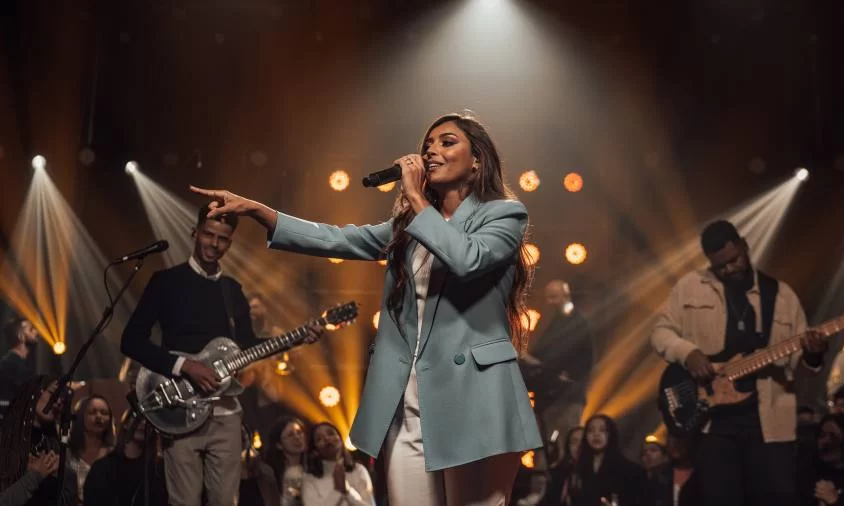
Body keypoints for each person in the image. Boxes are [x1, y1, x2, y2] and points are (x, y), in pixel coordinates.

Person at [191, 111, 542, 505]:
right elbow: (337, 239)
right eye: (427, 145)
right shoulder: (408, 227)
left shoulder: (504, 214)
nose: (431, 152)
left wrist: (414, 196)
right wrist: (258, 210)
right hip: (409, 404)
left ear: (477, 159)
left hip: (475, 401)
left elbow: (467, 258)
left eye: (446, 142)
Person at [121, 207, 307, 506]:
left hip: (226, 412)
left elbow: (247, 346)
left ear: (230, 244)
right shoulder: (165, 282)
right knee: (184, 501)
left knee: (226, 501)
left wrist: (295, 339)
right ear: (195, 232)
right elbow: (131, 341)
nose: (214, 244)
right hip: (180, 407)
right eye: (208, 235)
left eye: (223, 239)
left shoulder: (232, 290)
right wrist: (185, 366)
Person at [649, 219, 828, 506]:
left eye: (734, 260)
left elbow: (800, 369)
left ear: (744, 246)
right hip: (713, 426)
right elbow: (660, 332)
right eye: (720, 266)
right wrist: (689, 353)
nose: (729, 269)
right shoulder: (690, 287)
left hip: (771, 425)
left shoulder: (781, 296)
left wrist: (813, 355)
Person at [521, 280, 594, 441]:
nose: (549, 302)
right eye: (548, 298)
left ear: (566, 296)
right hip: (549, 396)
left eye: (553, 297)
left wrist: (542, 364)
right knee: (546, 442)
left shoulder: (578, 322)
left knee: (569, 441)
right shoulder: (552, 322)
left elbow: (582, 358)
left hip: (568, 396)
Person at [0, 376, 76, 505]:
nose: (58, 402)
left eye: (62, 399)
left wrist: (61, 475)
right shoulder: (4, 441)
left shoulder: (56, 448)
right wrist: (34, 476)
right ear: (33, 392)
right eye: (53, 393)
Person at [82, 410, 167, 506]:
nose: (143, 423)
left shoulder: (158, 470)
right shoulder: (102, 468)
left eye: (148, 420)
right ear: (126, 423)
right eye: (138, 418)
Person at [240, 293, 289, 439]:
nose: (251, 312)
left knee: (270, 436)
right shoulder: (240, 336)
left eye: (255, 307)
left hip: (268, 396)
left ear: (264, 309)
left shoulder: (275, 334)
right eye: (248, 309)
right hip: (245, 396)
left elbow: (290, 361)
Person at [568, 414, 643, 506]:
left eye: (603, 430)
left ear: (611, 434)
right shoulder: (578, 468)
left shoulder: (629, 470)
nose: (596, 434)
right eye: (591, 430)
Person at [300, 422, 374, 506]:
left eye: (331, 433)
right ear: (315, 451)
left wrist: (347, 490)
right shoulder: (309, 479)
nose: (326, 438)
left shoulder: (358, 469)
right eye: (319, 438)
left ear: (341, 439)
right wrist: (338, 490)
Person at [68, 395, 116, 504]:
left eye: (104, 413)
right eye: (92, 412)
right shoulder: (68, 453)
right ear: (81, 416)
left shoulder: (114, 455)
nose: (99, 416)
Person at [262, 416, 307, 505]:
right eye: (290, 435)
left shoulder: (314, 466)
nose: (297, 438)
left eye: (299, 432)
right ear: (279, 445)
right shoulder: (271, 474)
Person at [0, 317, 39, 417]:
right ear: (20, 336)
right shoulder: (10, 365)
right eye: (31, 329)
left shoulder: (18, 363)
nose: (36, 332)